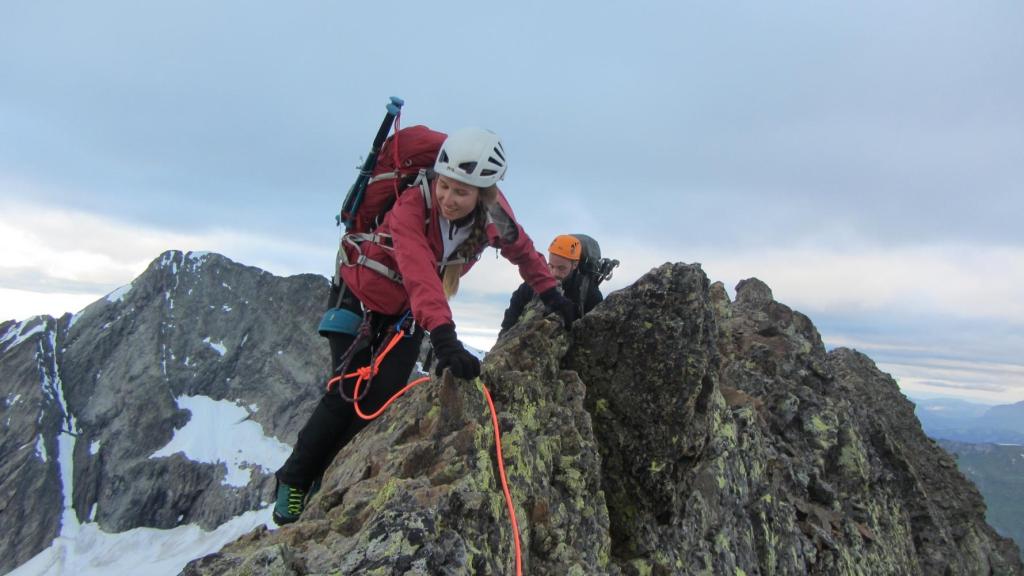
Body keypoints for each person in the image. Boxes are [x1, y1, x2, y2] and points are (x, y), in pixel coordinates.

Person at [273, 127, 578, 525]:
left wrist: (554, 296)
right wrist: (445, 337)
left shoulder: (494, 214)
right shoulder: (410, 207)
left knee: (381, 400)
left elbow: (522, 250)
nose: (449, 199)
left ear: (483, 194)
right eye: (445, 186)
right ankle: (292, 481)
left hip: (407, 310)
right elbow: (419, 272)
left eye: (461, 192)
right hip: (360, 293)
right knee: (348, 389)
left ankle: (326, 479)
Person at [500, 234, 604, 334]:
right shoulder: (535, 283)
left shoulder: (589, 294)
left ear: (575, 265)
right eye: (551, 266)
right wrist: (505, 332)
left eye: (561, 268)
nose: (554, 273)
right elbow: (515, 307)